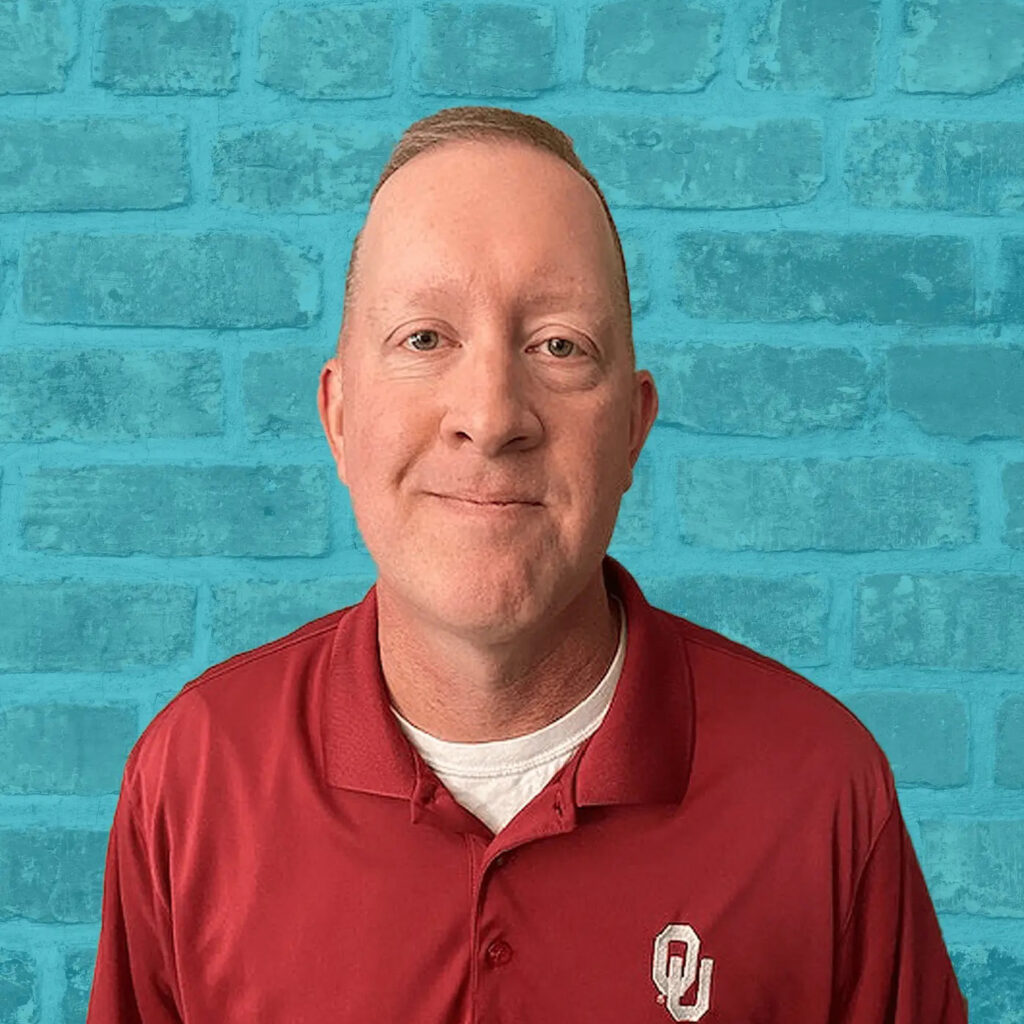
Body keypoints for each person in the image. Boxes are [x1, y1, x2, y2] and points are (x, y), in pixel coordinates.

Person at [86, 105, 968, 1023]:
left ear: (633, 426)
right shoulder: (192, 780)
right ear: (339, 416)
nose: (492, 414)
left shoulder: (821, 793)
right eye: (425, 339)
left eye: (558, 346)